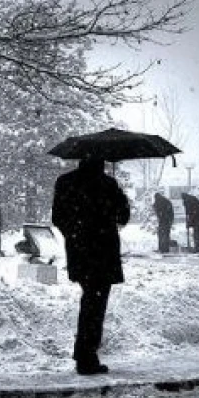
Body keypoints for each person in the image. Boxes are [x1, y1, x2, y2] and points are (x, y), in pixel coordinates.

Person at [52, 154, 130, 376]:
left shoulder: (65, 182)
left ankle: (84, 354)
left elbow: (57, 217)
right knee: (95, 305)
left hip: (80, 253)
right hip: (103, 253)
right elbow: (123, 217)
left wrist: (76, 236)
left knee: (90, 301)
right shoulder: (108, 184)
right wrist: (120, 199)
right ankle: (86, 356)